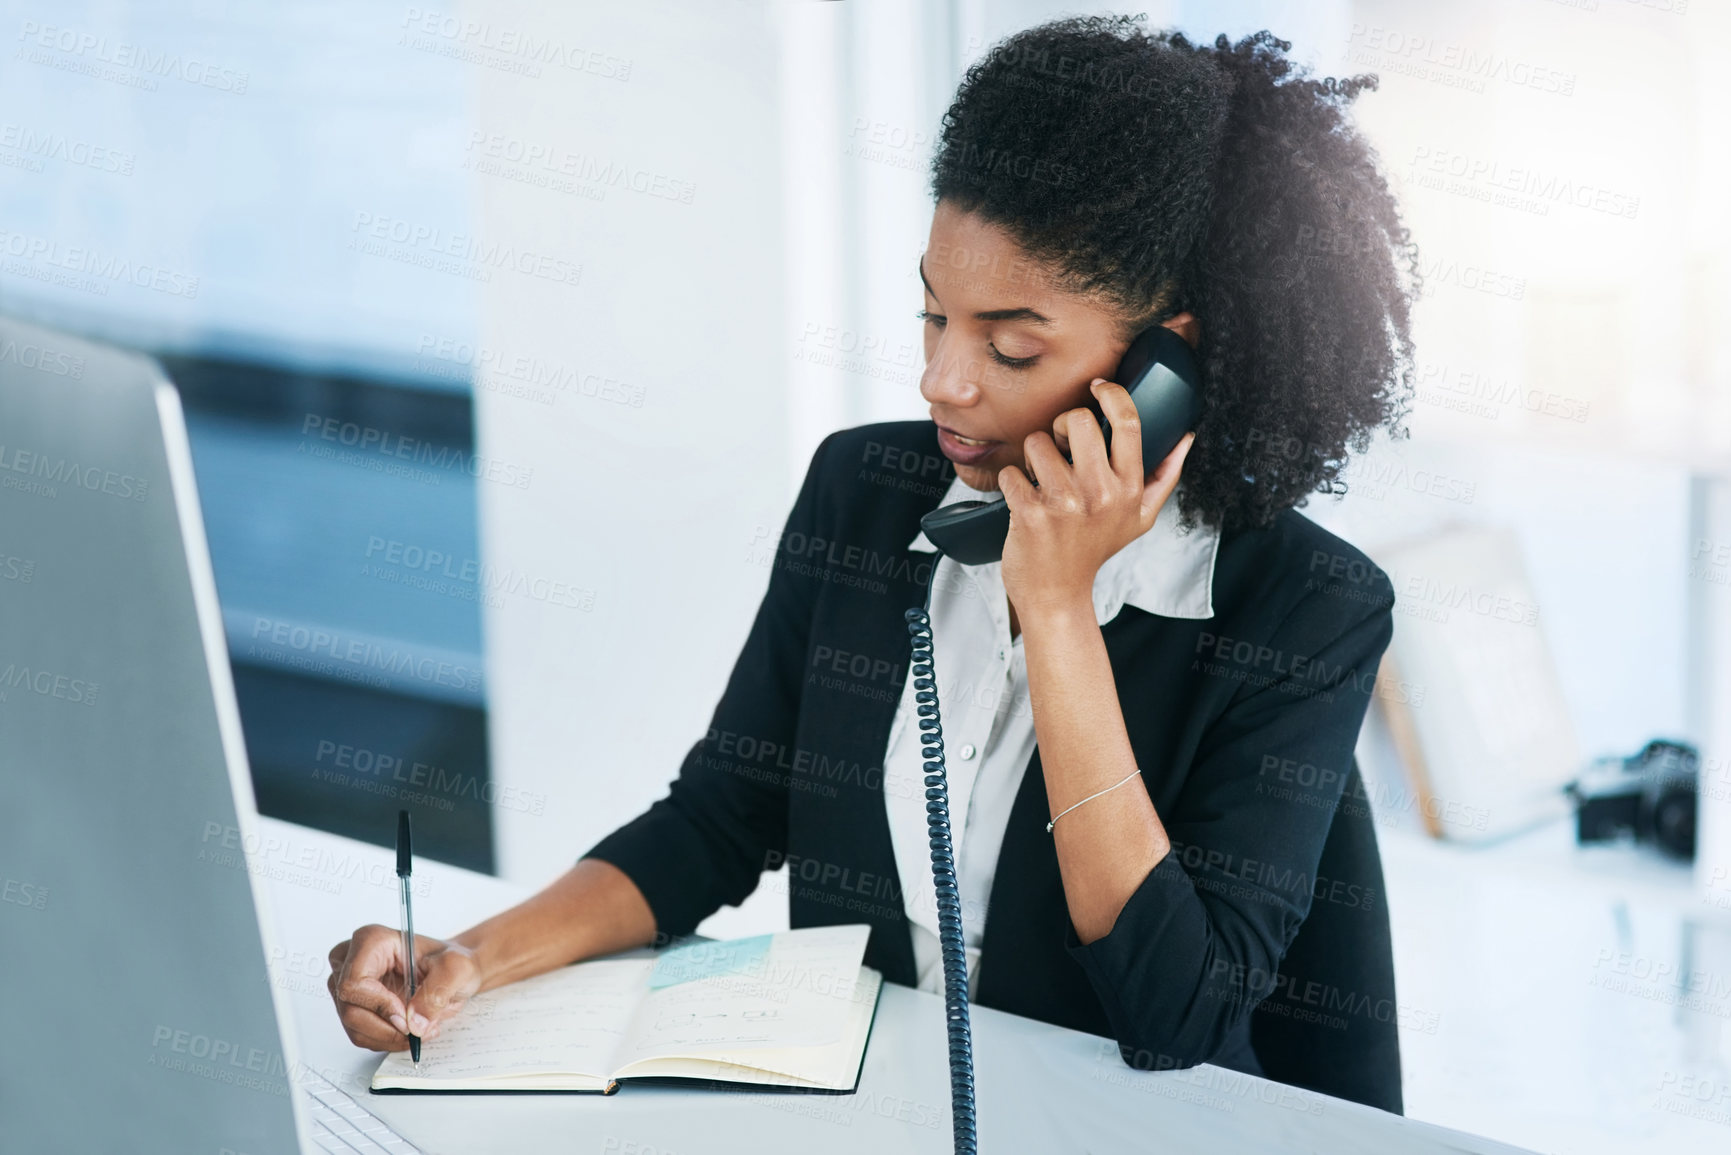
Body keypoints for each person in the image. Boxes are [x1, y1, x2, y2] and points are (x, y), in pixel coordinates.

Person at [328, 18, 1418, 1095]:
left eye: (1011, 345)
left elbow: (1178, 1014)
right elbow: (720, 818)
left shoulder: (1310, 610)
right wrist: (470, 957)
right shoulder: (865, 494)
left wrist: (1059, 609)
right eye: (932, 313)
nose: (943, 378)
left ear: (1165, 364)